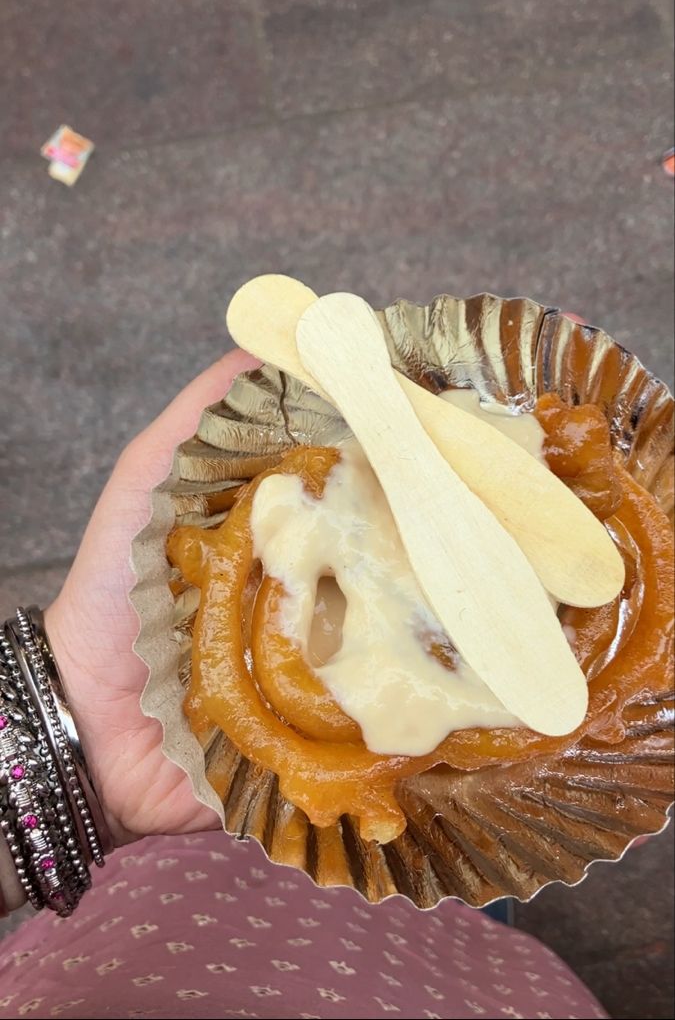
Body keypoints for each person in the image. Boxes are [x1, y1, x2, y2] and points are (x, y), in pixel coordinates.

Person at [0, 348, 610, 1020]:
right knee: (426, 857)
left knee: (348, 845)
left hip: (156, 928)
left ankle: (457, 900)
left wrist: (80, 717)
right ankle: (468, 920)